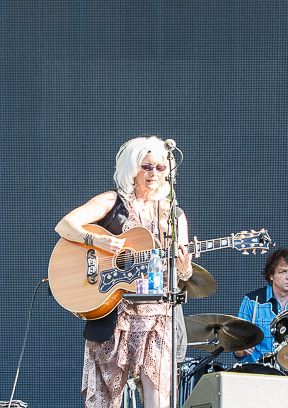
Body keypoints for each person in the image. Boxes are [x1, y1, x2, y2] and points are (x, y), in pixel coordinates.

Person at [55, 136, 192, 408]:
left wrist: (184, 268)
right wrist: (96, 240)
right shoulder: (113, 202)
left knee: (160, 395)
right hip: (115, 312)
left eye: (161, 168)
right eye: (147, 167)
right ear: (132, 168)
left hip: (157, 316)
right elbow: (65, 225)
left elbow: (181, 273)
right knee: (106, 398)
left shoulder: (173, 216)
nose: (154, 173)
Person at [232, 248, 288, 366]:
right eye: (283, 272)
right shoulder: (252, 301)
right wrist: (242, 350)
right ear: (271, 275)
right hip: (258, 373)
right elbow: (235, 349)